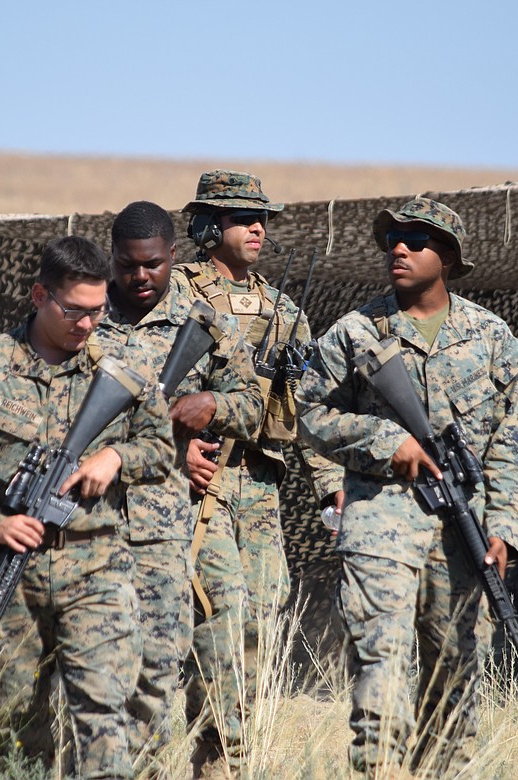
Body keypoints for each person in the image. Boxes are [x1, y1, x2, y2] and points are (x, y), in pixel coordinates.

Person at [295, 198, 518, 775]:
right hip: (380, 521)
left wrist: (503, 531)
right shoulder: (354, 334)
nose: (398, 249)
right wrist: (386, 442)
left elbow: (510, 443)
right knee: (382, 664)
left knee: (455, 669)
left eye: (415, 241)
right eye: (392, 240)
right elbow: (308, 413)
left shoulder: (492, 337)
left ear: (447, 257)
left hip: (463, 529)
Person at [0, 235, 174, 779]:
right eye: (74, 311)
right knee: (15, 726)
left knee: (104, 716)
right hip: (9, 578)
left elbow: (160, 448)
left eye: (98, 311)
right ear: (40, 295)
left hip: (98, 569)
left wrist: (115, 456)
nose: (87, 325)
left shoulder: (121, 368)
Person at [174, 170, 343, 774]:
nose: (257, 229)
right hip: (202, 486)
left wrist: (331, 488)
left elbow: (309, 405)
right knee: (221, 613)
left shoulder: (283, 310)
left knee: (263, 618)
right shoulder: (175, 296)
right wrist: (174, 449)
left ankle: (232, 757)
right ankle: (220, 755)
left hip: (261, 487)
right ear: (208, 225)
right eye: (243, 218)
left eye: (262, 219)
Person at [96, 200, 264, 766]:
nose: (139, 277)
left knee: (221, 658)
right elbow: (47, 412)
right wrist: (162, 441)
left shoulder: (204, 320)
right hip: (94, 523)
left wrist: (209, 404)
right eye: (126, 265)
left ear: (173, 255)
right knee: (113, 678)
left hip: (186, 523)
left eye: (152, 265)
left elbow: (254, 407)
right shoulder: (83, 316)